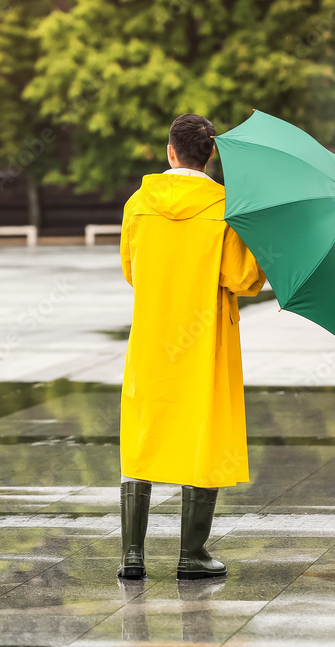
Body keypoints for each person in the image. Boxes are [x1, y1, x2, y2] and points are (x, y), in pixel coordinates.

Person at [118, 113, 266, 581]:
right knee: (204, 432)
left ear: (170, 152)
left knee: (143, 432)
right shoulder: (225, 209)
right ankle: (191, 553)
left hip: (152, 337)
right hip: (205, 340)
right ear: (211, 158)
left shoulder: (138, 204)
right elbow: (242, 279)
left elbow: (131, 270)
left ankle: (132, 555)